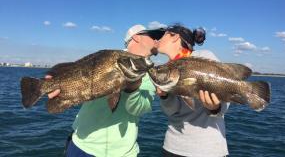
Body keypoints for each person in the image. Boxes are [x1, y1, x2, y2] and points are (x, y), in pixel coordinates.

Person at [46, 24, 165, 157]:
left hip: (121, 152)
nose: (157, 40)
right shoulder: (109, 56)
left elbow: (140, 109)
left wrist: (132, 89)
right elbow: (78, 67)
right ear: (136, 38)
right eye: (153, 36)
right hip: (81, 143)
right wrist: (53, 74)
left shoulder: (150, 73)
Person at [156, 24, 230, 157]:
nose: (157, 39)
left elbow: (225, 88)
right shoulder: (167, 70)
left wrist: (215, 107)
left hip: (206, 150)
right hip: (172, 147)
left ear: (175, 37)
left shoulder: (203, 56)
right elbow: (171, 112)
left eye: (162, 35)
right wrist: (164, 97)